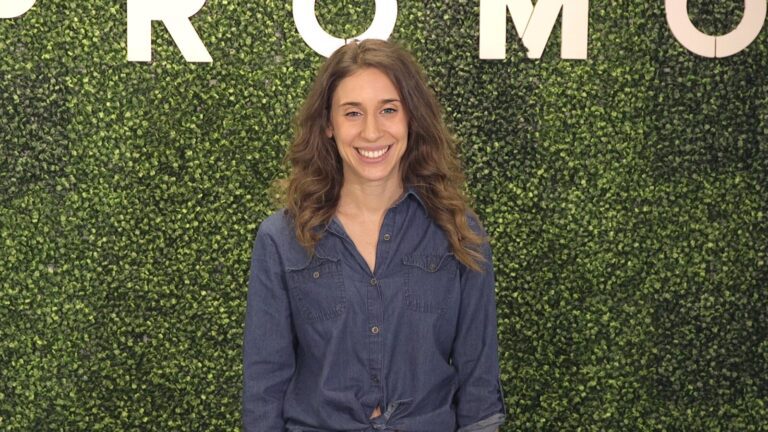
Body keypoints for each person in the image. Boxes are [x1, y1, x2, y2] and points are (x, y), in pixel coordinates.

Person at [243, 39, 506, 431]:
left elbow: (479, 382)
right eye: (353, 113)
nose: (371, 131)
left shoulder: (458, 232)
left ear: (411, 118)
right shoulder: (281, 238)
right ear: (329, 125)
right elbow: (264, 388)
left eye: (388, 110)